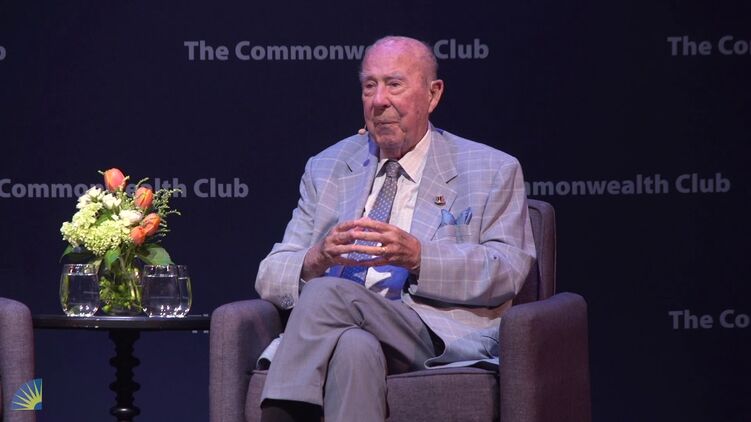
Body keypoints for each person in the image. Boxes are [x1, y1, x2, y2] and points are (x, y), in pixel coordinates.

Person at [255, 35, 536, 422]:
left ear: (433, 95)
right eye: (369, 86)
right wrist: (317, 257)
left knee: (326, 293)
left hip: (433, 332)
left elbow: (507, 270)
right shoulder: (327, 167)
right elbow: (270, 274)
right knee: (354, 347)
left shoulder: (491, 169)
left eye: (394, 84)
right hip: (343, 327)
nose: (379, 100)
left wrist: (419, 257)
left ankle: (280, 413)